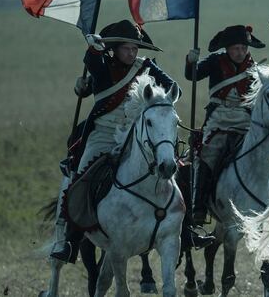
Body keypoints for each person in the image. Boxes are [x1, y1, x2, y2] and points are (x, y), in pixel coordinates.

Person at [51, 20, 179, 262]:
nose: (132, 53)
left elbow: (174, 88)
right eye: (126, 48)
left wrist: (167, 96)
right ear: (115, 49)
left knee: (174, 168)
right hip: (103, 135)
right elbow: (92, 62)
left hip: (136, 137)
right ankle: (70, 239)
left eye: (135, 49)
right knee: (81, 178)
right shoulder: (102, 66)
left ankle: (185, 225)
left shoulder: (146, 66)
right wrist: (93, 48)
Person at [186, 24, 265, 225]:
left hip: (245, 121)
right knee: (208, 155)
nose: (240, 53)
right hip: (219, 120)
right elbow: (192, 75)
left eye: (244, 48)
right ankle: (199, 207)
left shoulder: (255, 68)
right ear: (227, 48)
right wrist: (190, 61)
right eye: (236, 48)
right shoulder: (215, 61)